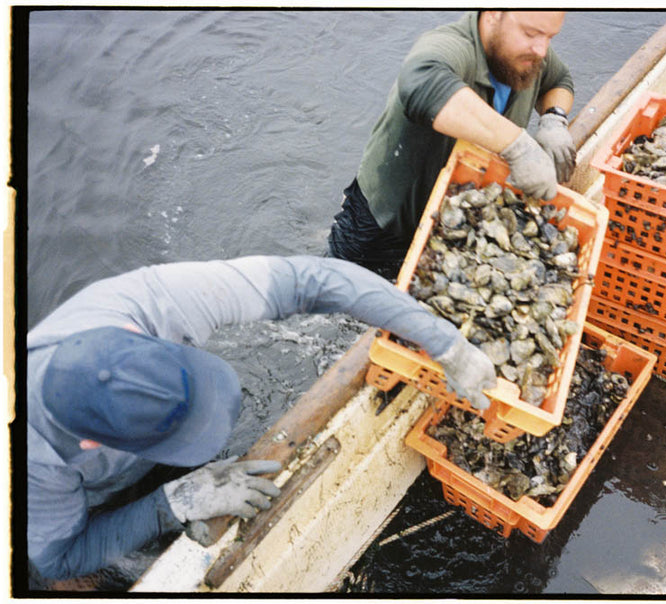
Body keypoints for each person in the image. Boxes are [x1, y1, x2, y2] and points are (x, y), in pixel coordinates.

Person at [27, 255, 497, 581]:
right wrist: (172, 503)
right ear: (92, 445)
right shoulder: (34, 457)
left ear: (139, 335)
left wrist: (445, 344)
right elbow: (57, 556)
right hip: (74, 494)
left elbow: (311, 278)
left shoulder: (142, 302)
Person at [327, 10, 575, 279]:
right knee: (337, 302)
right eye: (531, 33)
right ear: (493, 13)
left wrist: (554, 119)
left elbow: (559, 80)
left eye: (550, 36)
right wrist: (518, 146)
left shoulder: (529, 54)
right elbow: (420, 81)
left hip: (451, 223)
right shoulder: (453, 47)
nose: (541, 49)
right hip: (383, 227)